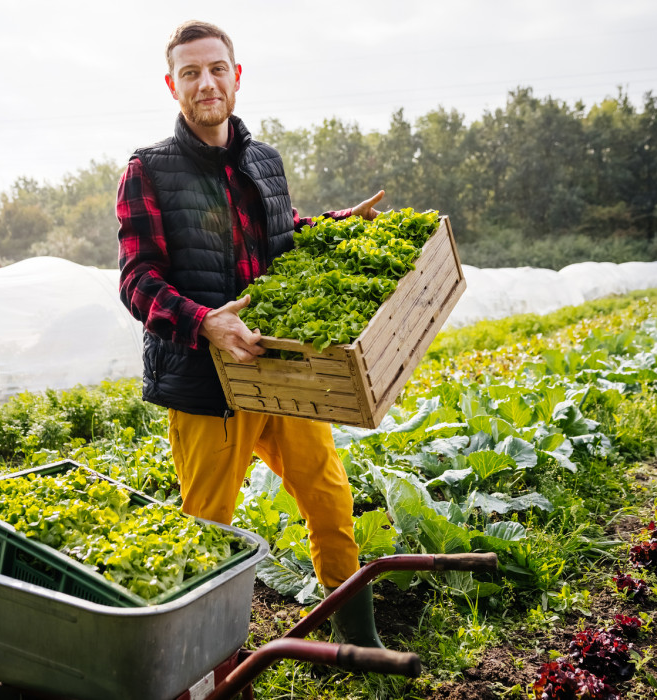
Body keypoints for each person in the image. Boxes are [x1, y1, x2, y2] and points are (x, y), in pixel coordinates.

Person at [116, 20, 387, 647]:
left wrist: (342, 224)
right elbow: (137, 280)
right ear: (172, 86)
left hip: (280, 370)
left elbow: (280, 229)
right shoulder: (147, 170)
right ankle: (201, 658)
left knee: (328, 495)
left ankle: (353, 638)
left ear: (236, 77)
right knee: (207, 525)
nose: (206, 83)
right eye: (191, 73)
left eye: (216, 69)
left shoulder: (264, 160)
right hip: (206, 384)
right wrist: (205, 322)